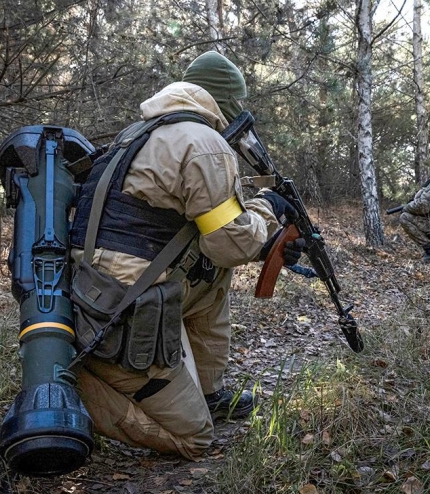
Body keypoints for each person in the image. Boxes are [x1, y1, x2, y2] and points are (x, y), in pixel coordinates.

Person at [68, 51, 303, 460]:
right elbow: (234, 242)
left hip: (100, 289)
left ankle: (208, 393)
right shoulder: (204, 143)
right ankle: (75, 389)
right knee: (195, 439)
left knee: (212, 277)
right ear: (227, 104)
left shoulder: (139, 132)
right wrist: (268, 212)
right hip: (124, 312)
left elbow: (214, 237)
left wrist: (259, 211)